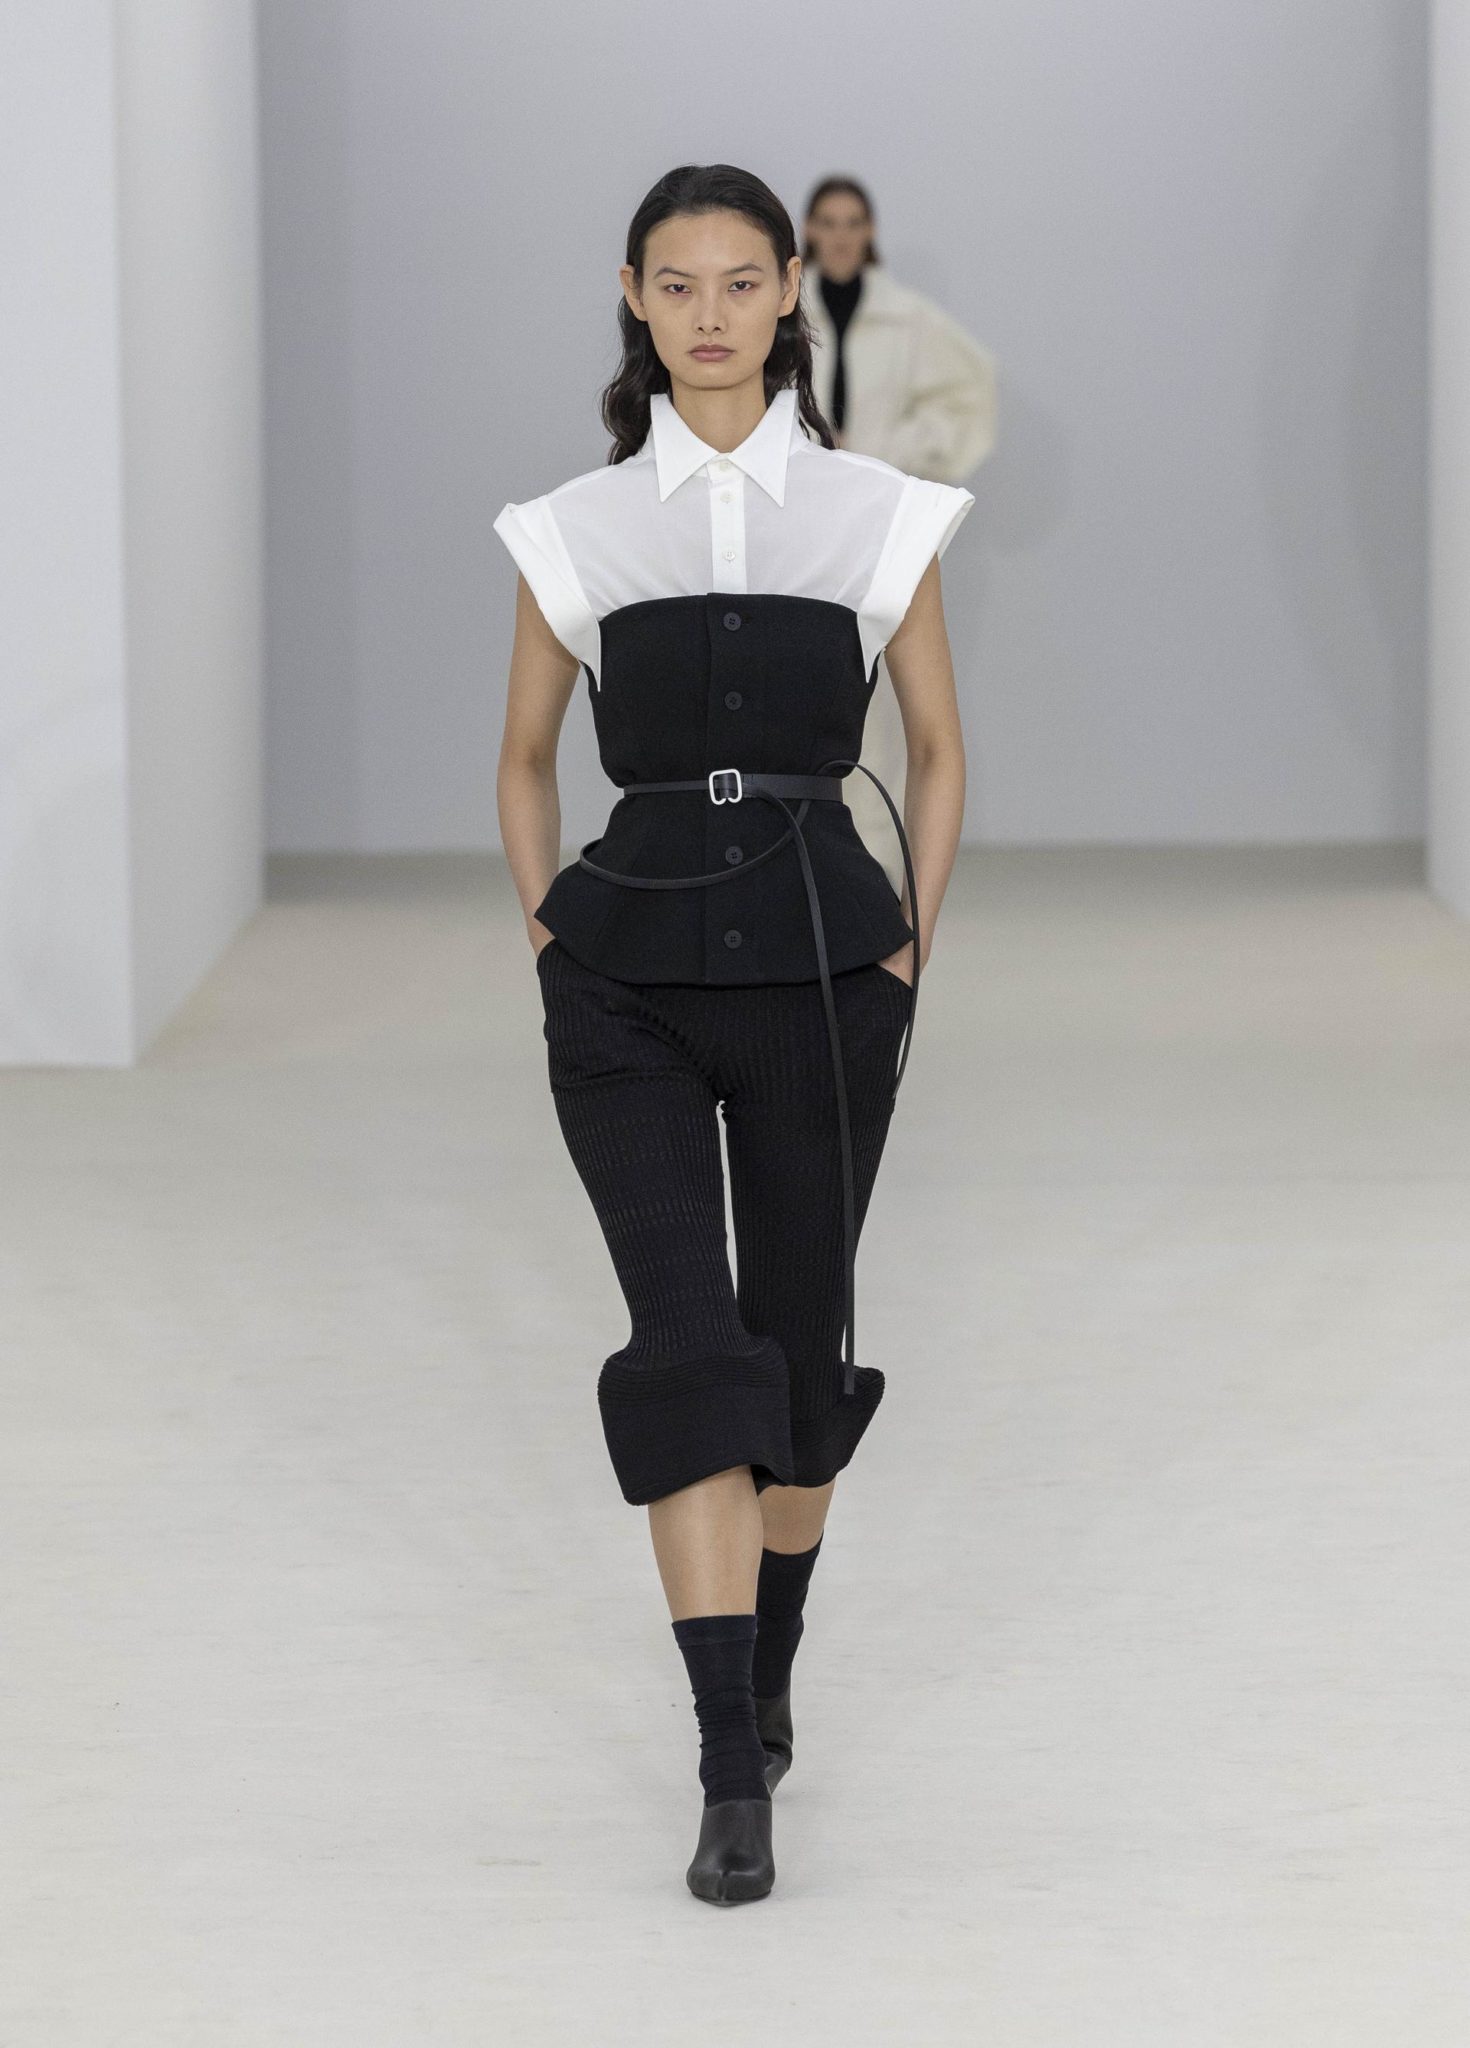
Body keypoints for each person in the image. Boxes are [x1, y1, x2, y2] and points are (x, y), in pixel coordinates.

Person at [493, 162, 972, 1907]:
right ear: (634, 296)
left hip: (827, 980)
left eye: (741, 281)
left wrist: (909, 954)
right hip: (623, 982)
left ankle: (770, 1662)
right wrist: (551, 941)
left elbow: (937, 747)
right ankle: (724, 1769)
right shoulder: (572, 527)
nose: (711, 313)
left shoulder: (876, 514)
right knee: (689, 1345)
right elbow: (523, 757)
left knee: (795, 1364)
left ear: (789, 294)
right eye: (677, 283)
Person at [799, 174, 996, 897]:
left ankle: (874, 878)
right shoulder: (784, 310)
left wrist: (893, 452)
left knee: (881, 701)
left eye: (853, 222)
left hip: (876, 525)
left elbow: (971, 394)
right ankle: (804, 866)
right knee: (799, 691)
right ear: (809, 231)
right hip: (798, 526)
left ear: (870, 231)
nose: (841, 236)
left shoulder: (906, 319)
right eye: (828, 222)